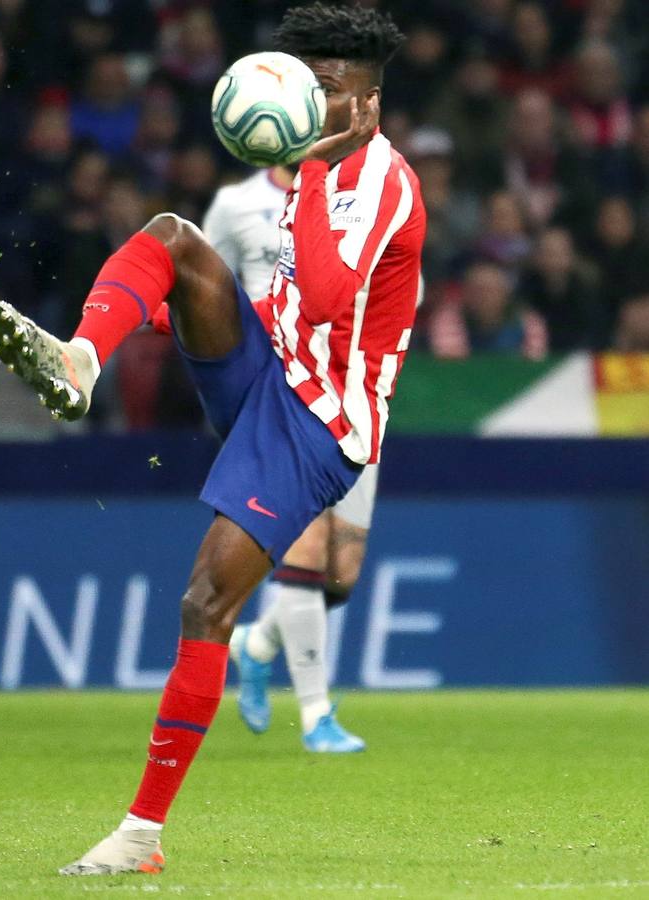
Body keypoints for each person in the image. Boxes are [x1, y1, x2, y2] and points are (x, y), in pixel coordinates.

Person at [0, 4, 423, 875]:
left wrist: (308, 166)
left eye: (324, 89)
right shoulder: (310, 170)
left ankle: (140, 835)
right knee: (172, 241)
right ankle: (79, 359)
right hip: (269, 365)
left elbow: (333, 300)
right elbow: (294, 303)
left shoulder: (378, 181)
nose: (306, 101)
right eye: (299, 85)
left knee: (204, 604)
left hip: (318, 421)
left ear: (366, 104)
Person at [202, 164, 374, 753]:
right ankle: (315, 716)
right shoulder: (236, 203)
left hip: (355, 395)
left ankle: (256, 647)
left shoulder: (369, 194)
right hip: (277, 395)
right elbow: (208, 289)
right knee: (303, 553)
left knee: (341, 574)